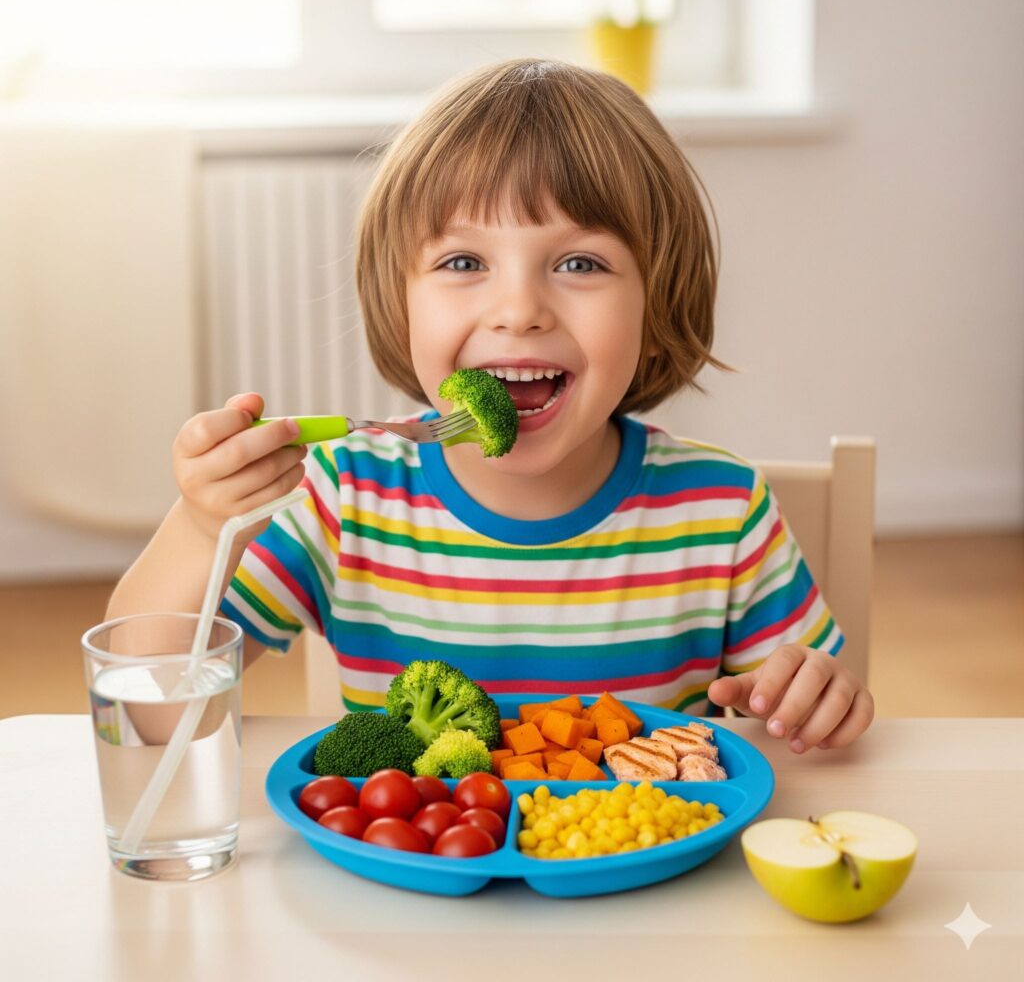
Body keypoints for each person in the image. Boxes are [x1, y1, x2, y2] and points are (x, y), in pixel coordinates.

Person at [107, 58, 873, 755]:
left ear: (657, 300)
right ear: (398, 301)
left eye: (580, 262)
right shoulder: (342, 496)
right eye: (464, 261)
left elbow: (819, 714)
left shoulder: (722, 511)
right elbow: (152, 714)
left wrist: (813, 699)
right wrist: (202, 527)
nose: (519, 309)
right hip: (408, 885)